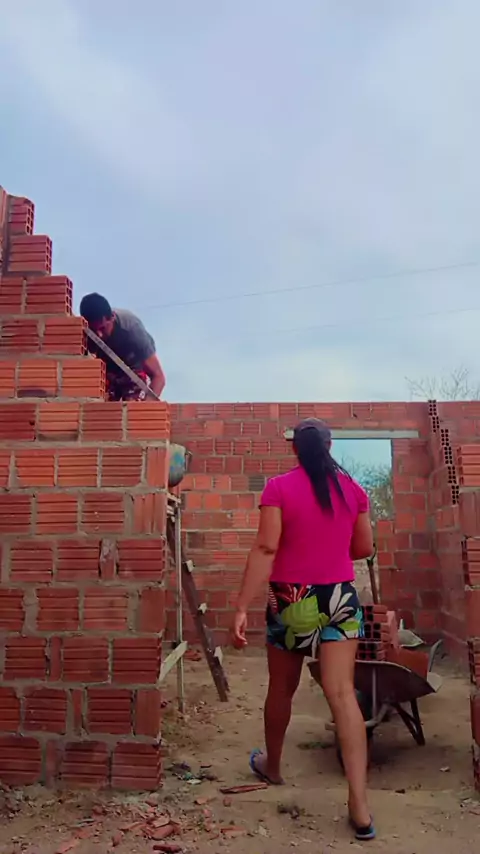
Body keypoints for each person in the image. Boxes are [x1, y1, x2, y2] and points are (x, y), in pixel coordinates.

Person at [232, 418, 375, 841]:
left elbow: (266, 547)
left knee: (282, 687)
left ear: (294, 448)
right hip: (340, 598)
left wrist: (241, 606)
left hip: (292, 597)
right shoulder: (353, 490)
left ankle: (273, 766)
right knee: (342, 694)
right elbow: (364, 548)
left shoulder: (279, 488)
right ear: (329, 446)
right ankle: (360, 806)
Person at [79, 293, 165, 401]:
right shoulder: (85, 331)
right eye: (94, 331)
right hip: (108, 372)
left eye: (102, 328)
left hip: (132, 372)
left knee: (130, 404)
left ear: (112, 317)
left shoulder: (132, 329)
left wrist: (146, 407)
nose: (99, 335)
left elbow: (158, 377)